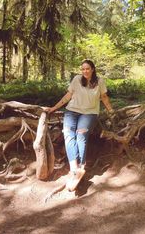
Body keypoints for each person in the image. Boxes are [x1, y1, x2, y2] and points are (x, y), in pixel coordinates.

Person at [46, 59, 114, 191]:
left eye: (87, 69)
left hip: (89, 113)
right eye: (83, 69)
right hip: (72, 111)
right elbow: (68, 96)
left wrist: (110, 110)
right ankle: (74, 169)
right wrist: (53, 108)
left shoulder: (99, 81)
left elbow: (104, 97)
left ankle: (81, 166)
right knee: (68, 134)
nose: (85, 71)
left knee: (80, 135)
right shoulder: (77, 79)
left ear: (93, 69)